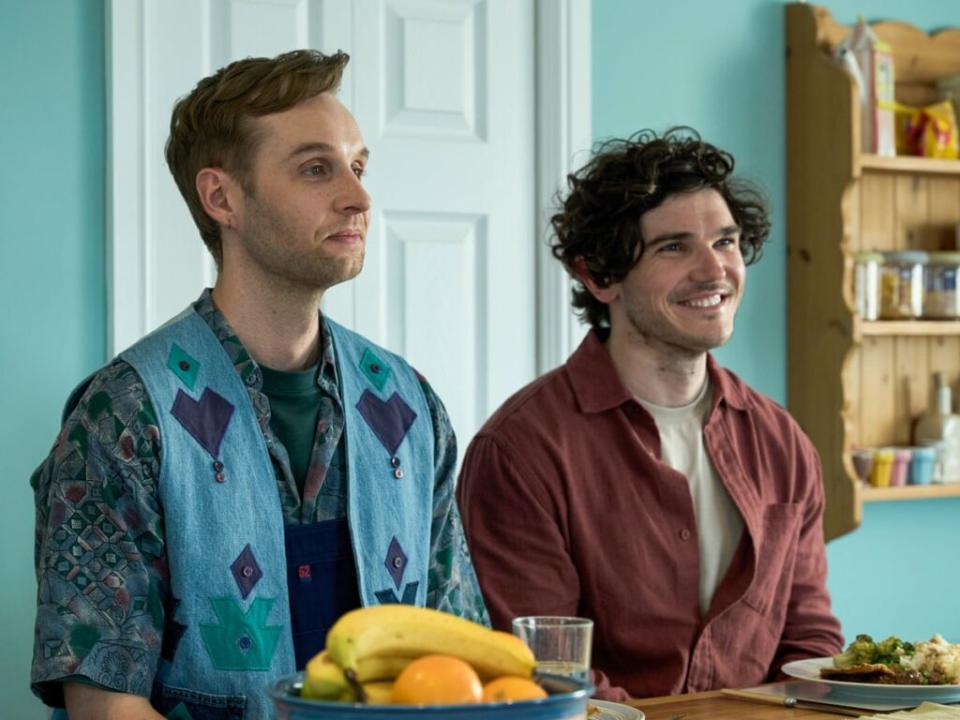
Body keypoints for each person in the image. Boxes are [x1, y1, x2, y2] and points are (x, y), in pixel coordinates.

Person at [31, 49, 488, 719]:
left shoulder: (410, 408)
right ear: (222, 198)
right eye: (315, 168)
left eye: (358, 168)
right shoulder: (124, 412)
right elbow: (105, 706)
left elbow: (462, 660)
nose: (359, 197)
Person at [456, 127, 844, 700]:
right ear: (599, 276)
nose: (714, 271)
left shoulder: (781, 441)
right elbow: (541, 674)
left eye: (726, 241)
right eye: (674, 247)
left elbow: (810, 646)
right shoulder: (521, 451)